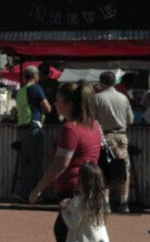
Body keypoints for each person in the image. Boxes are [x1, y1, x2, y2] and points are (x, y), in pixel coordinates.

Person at [29, 82, 102, 242]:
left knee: (65, 231)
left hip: (72, 189)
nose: (54, 104)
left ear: (69, 105)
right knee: (76, 232)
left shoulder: (70, 129)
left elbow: (60, 164)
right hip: (87, 186)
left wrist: (38, 188)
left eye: (58, 100)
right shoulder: (94, 125)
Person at [94, 71, 134, 214]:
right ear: (114, 82)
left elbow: (92, 119)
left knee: (105, 169)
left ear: (101, 82)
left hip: (104, 137)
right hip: (121, 137)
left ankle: (106, 203)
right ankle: (124, 202)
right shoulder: (123, 98)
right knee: (124, 169)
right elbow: (130, 120)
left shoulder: (97, 98)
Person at [15, 65, 52, 201]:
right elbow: (47, 108)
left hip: (22, 127)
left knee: (26, 162)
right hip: (33, 126)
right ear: (35, 75)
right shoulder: (36, 88)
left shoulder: (20, 91)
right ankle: (30, 194)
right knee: (35, 163)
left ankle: (22, 192)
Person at [60, 162, 110, 242]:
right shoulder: (101, 200)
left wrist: (64, 210)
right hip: (101, 238)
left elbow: (73, 223)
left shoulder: (78, 200)